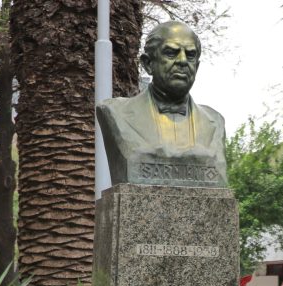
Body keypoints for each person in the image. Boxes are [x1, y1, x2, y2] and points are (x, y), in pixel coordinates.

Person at [96, 21, 227, 187]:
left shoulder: (215, 122)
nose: (182, 61)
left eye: (190, 55)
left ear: (197, 66)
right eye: (171, 53)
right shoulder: (116, 113)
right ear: (148, 64)